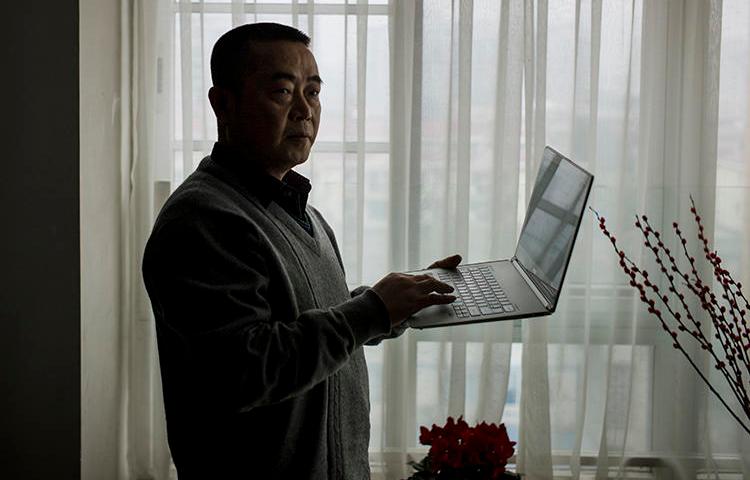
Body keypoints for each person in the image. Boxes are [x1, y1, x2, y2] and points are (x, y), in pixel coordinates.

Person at [142, 22, 461, 479]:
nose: (304, 111)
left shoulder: (295, 206)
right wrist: (370, 310)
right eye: (282, 92)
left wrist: (399, 303)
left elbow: (314, 321)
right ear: (222, 103)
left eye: (313, 92)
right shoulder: (202, 221)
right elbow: (247, 369)